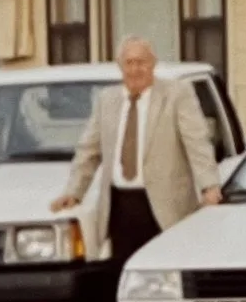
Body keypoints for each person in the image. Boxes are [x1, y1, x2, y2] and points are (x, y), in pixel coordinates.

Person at [51, 36, 222, 261]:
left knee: (164, 270)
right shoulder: (107, 100)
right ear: (120, 66)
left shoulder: (177, 94)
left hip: (164, 207)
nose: (135, 69)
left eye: (141, 62)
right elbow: (88, 151)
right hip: (120, 207)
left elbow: (197, 142)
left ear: (153, 64)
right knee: (124, 271)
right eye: (129, 63)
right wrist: (74, 192)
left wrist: (209, 186)